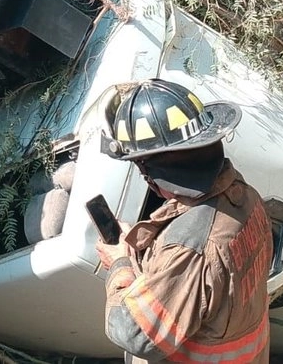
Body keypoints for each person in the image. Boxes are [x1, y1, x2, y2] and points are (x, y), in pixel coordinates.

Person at [94, 79, 272, 364]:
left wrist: (120, 265)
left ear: (149, 172)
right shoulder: (246, 196)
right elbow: (210, 285)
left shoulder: (190, 246)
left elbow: (134, 333)